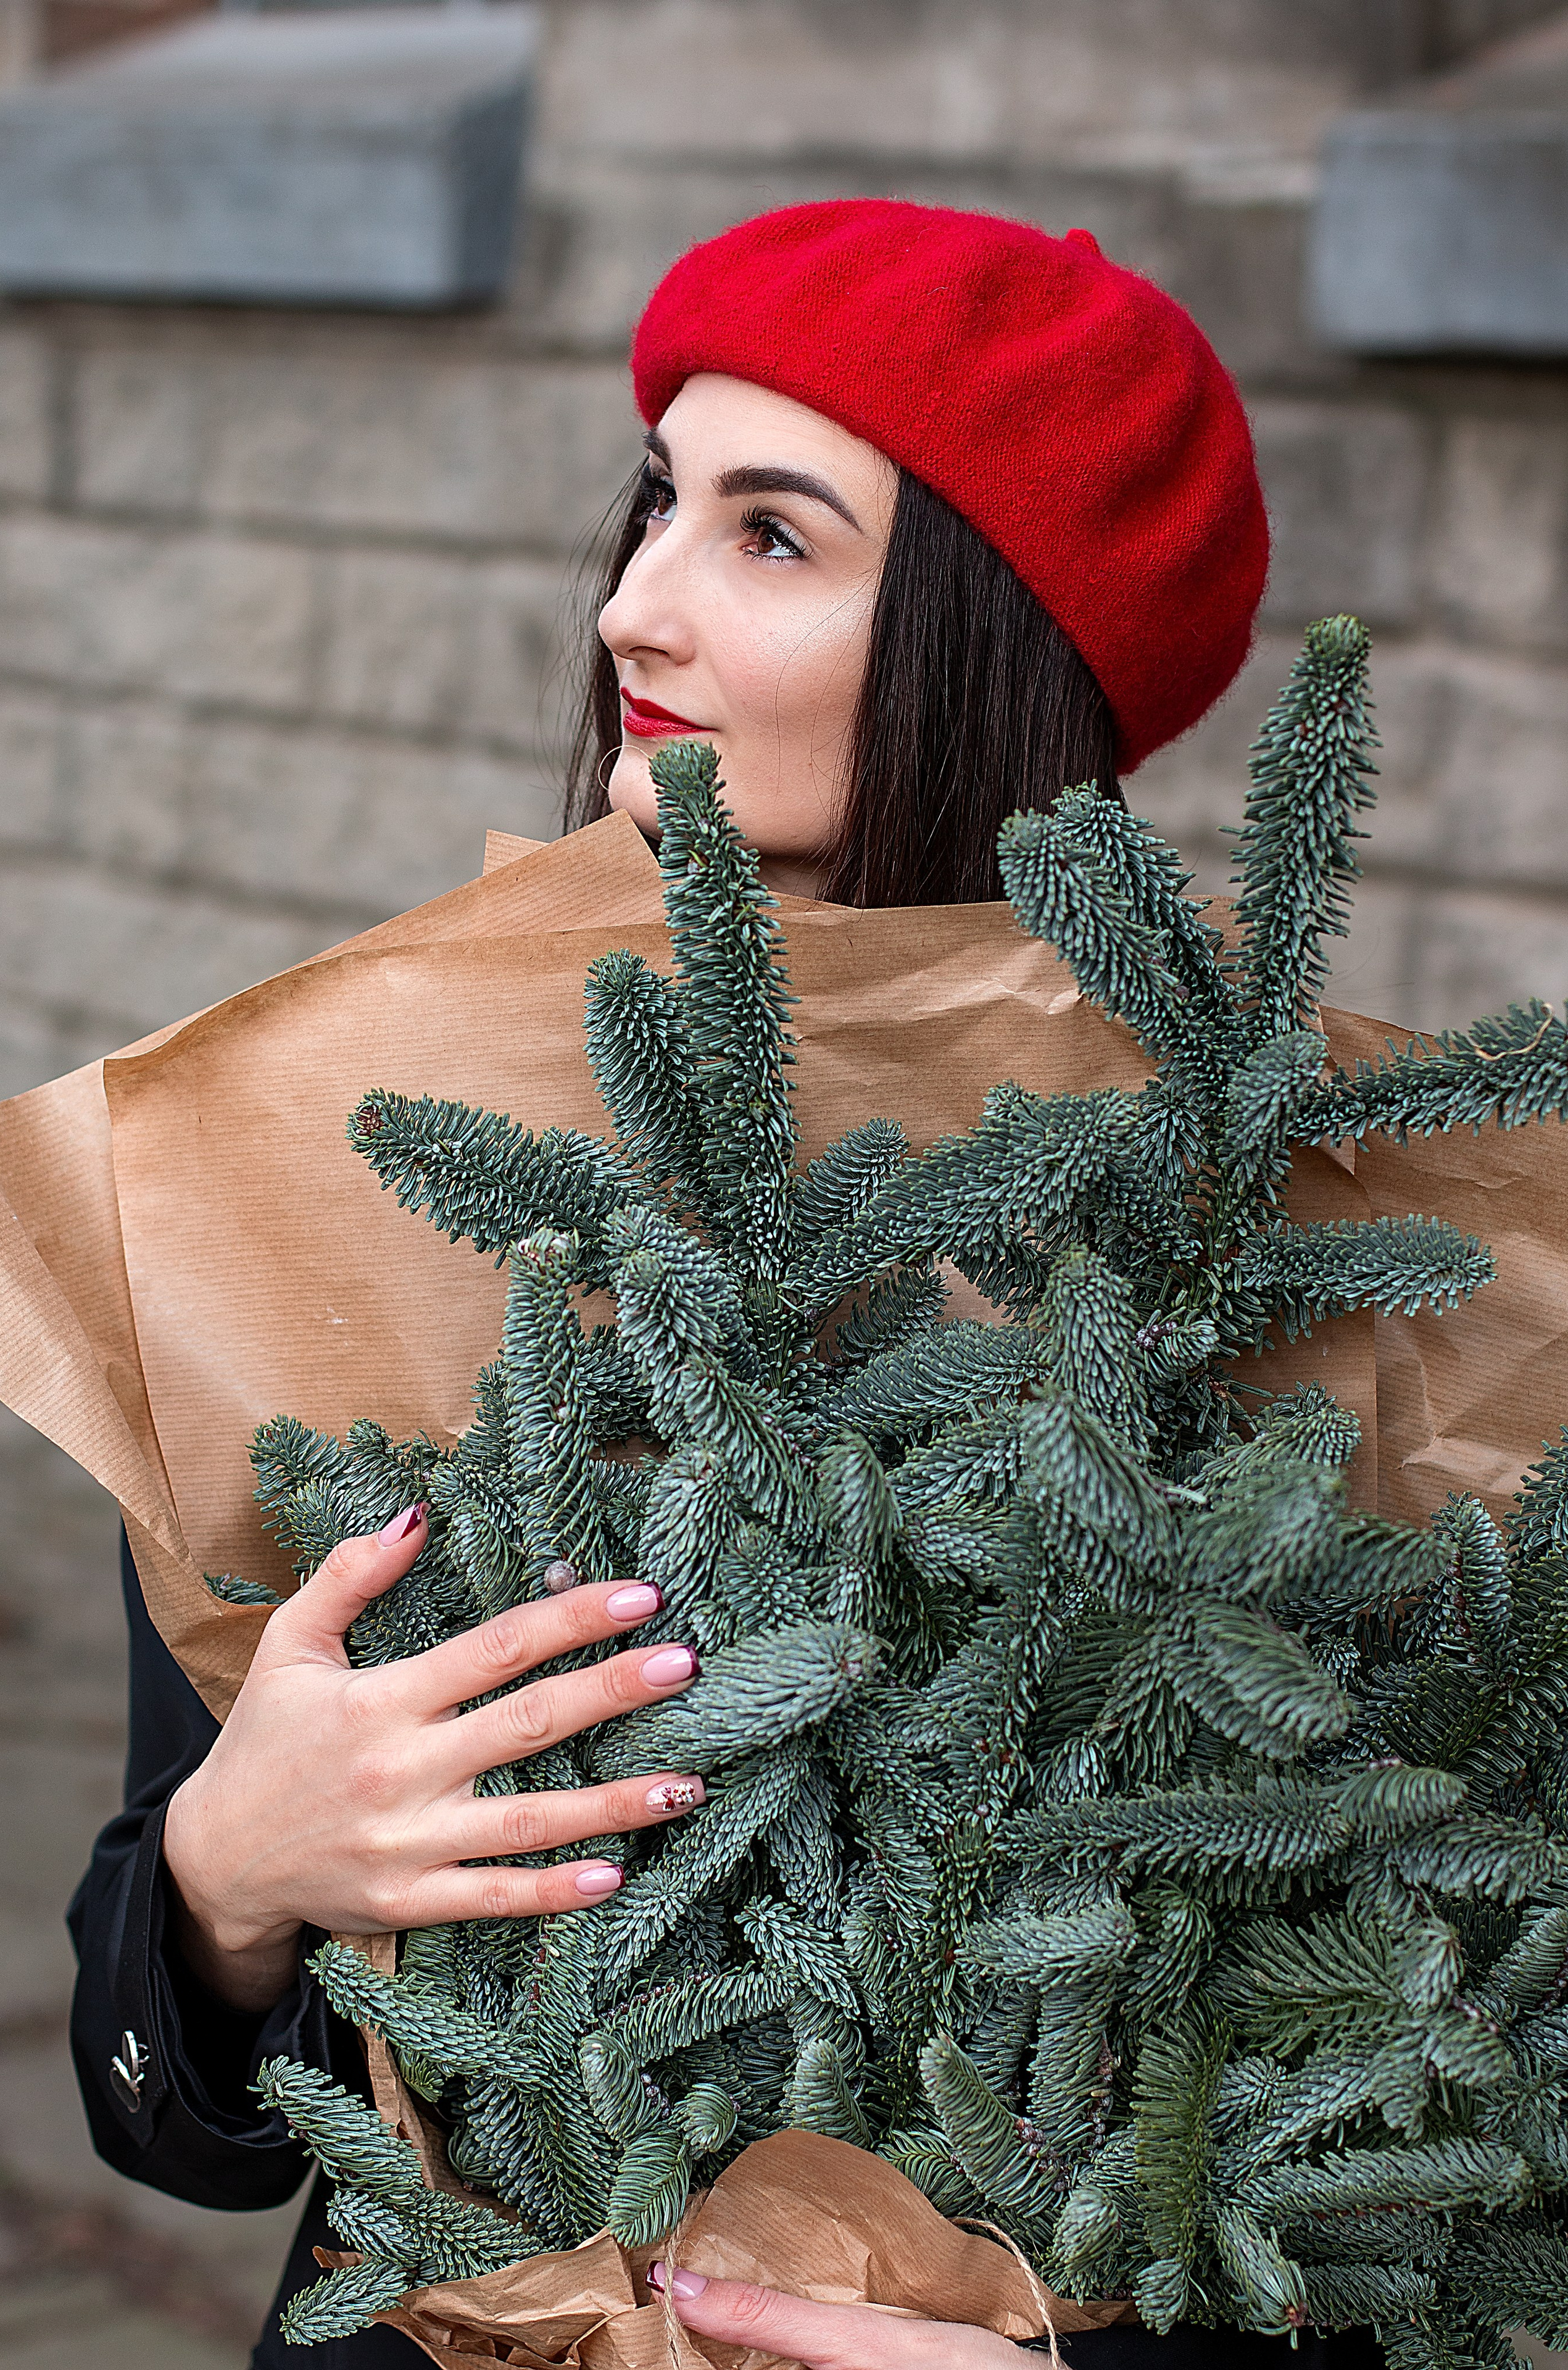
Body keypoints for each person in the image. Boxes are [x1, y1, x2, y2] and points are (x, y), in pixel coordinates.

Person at [69, 202, 1374, 2370]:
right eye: (661, 500)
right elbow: (189, 2143)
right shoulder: (359, 1151)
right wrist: (225, 1873)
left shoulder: (1255, 1248)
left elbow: (1408, 2122)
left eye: (772, 539)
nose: (630, 605)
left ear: (988, 640)